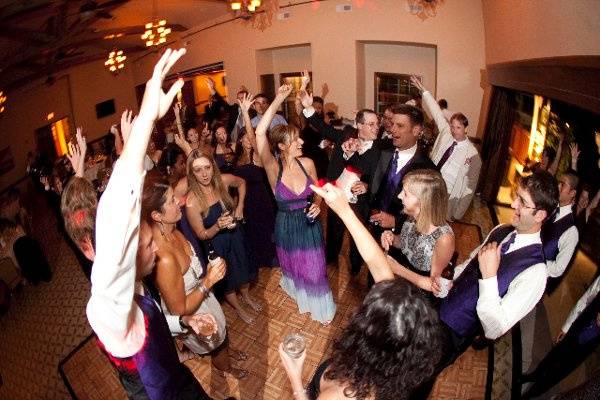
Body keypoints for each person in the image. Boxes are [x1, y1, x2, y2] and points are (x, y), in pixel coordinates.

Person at [62, 48, 214, 399]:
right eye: (143, 244)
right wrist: (145, 120)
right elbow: (116, 213)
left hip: (178, 379)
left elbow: (151, 320)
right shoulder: (105, 303)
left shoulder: (133, 283)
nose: (153, 247)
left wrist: (183, 322)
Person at [279, 181, 442, 400]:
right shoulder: (390, 366)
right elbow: (376, 261)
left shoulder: (345, 395)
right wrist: (344, 210)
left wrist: (296, 381)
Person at [142, 174, 249, 379]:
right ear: (156, 215)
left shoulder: (172, 229)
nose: (179, 202)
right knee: (215, 345)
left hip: (203, 297)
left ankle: (226, 352)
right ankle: (226, 369)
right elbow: (179, 310)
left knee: (221, 337)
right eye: (172, 201)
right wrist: (209, 280)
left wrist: (208, 275)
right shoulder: (164, 259)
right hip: (192, 310)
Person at [254, 83, 335, 325]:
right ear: (280, 146)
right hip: (286, 226)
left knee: (315, 268)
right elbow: (260, 134)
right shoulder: (272, 168)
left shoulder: (308, 163)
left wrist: (318, 203)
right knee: (295, 267)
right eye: (294, 141)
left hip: (309, 226)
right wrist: (278, 99)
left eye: (299, 139)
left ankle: (321, 307)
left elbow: (317, 191)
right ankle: (303, 299)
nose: (300, 143)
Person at [298, 72, 382, 276]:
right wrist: (308, 108)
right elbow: (323, 128)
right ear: (359, 125)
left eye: (377, 124)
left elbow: (380, 177)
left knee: (357, 236)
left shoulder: (381, 148)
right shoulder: (346, 134)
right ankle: (330, 259)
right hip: (338, 194)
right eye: (371, 124)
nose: (376, 128)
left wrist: (368, 186)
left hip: (360, 203)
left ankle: (355, 267)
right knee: (334, 230)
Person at [185, 149, 260, 324]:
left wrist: (240, 207)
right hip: (216, 244)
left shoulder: (223, 181)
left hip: (235, 235)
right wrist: (217, 226)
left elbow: (242, 183)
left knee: (244, 268)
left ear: (213, 166)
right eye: (198, 170)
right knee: (229, 280)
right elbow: (202, 235)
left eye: (207, 167)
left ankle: (246, 296)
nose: (204, 174)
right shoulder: (192, 201)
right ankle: (239, 308)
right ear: (192, 173)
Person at [411, 76, 482, 221]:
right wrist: (424, 91)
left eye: (458, 127)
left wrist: (458, 213)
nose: (454, 130)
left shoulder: (473, 155)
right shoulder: (446, 132)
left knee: (436, 226)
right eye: (452, 126)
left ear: (466, 129)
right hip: (429, 185)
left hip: (447, 195)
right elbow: (436, 111)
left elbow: (470, 188)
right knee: (418, 218)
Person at [521, 273, 600, 399]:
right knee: (555, 353)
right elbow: (587, 298)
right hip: (580, 323)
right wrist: (567, 326)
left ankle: (533, 393)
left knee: (562, 369)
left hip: (591, 341)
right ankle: (535, 375)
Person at [380, 169, 454, 294]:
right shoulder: (412, 217)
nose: (399, 196)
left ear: (423, 202)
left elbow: (436, 287)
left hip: (417, 296)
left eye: (406, 193)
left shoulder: (444, 238)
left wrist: (398, 269)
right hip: (400, 285)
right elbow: (405, 244)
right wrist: (392, 237)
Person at [368, 104, 436, 241]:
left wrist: (396, 221)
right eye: (392, 124)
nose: (392, 130)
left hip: (400, 239)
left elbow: (428, 215)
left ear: (416, 130)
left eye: (399, 126)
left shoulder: (428, 171)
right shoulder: (381, 151)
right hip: (371, 227)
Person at [234, 93, 278, 268]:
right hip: (246, 200)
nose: (247, 139)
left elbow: (253, 137)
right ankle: (256, 259)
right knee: (250, 230)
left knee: (265, 228)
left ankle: (270, 257)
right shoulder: (237, 159)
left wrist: (245, 112)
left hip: (260, 197)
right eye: (243, 137)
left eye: (248, 137)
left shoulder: (258, 155)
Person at [542, 170, 579, 293]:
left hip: (538, 278)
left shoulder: (571, 231)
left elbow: (558, 268)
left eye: (562, 184)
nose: (558, 186)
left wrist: (534, 259)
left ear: (572, 193)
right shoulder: (550, 208)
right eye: (558, 182)